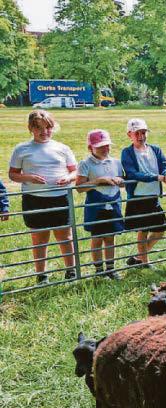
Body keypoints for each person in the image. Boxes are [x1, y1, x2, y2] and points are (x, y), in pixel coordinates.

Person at [8, 110, 78, 284]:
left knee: (65, 236)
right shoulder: (22, 149)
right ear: (31, 128)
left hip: (60, 197)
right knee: (39, 237)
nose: (44, 131)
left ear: (52, 128)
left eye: (48, 127)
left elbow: (75, 171)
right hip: (34, 198)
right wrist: (28, 177)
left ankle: (71, 271)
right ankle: (41, 275)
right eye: (38, 128)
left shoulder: (62, 148)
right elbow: (13, 174)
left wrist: (68, 178)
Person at [121, 118, 166, 268]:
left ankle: (138, 257)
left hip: (153, 195)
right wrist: (157, 177)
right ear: (129, 135)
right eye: (136, 133)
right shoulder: (127, 153)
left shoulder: (155, 150)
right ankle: (144, 262)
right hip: (138, 196)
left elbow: (163, 165)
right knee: (143, 230)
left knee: (160, 230)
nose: (141, 136)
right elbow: (132, 174)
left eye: (143, 132)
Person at [75, 129, 125, 279]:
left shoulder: (116, 162)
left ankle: (110, 268)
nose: (105, 149)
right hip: (96, 206)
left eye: (107, 146)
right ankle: (99, 270)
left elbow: (122, 182)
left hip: (113, 204)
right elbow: (79, 187)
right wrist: (98, 181)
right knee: (97, 238)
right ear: (90, 148)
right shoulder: (85, 164)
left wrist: (120, 181)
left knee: (110, 237)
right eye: (100, 146)